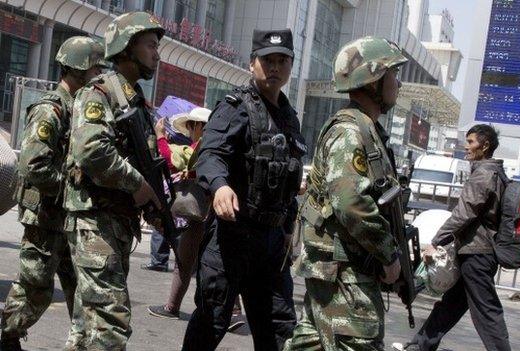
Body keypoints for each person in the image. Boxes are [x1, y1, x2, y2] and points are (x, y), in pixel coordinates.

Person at [182, 29, 306, 351]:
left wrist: (289, 229)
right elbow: (211, 154)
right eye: (267, 60)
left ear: (291, 66)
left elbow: (289, 181)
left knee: (279, 329)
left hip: (272, 243)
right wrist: (220, 186)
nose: (274, 67)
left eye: (282, 60)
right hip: (232, 236)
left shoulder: (290, 118)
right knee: (213, 319)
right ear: (253, 64)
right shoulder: (235, 106)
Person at [283, 36, 405, 351]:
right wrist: (388, 253)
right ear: (374, 79)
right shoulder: (351, 133)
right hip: (345, 274)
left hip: (341, 271)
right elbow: (350, 203)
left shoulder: (367, 131)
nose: (398, 83)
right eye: (393, 74)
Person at [62, 12, 164, 349]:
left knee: (85, 328)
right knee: (110, 324)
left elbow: (141, 161)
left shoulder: (134, 101)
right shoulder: (100, 92)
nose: (157, 53)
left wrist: (154, 207)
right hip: (94, 222)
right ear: (126, 47)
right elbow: (91, 151)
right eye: (150, 45)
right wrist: (139, 186)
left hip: (116, 224)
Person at [0, 36, 106, 351]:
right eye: (96, 67)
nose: (100, 74)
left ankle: (82, 341)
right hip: (47, 217)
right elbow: (33, 166)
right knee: (35, 288)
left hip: (78, 219)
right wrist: (73, 189)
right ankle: (7, 337)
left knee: (92, 285)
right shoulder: (51, 110)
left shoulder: (83, 109)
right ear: (79, 68)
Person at [401, 124, 511, 351]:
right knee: (450, 306)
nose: (466, 146)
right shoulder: (493, 173)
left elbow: (464, 213)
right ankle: (420, 345)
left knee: (486, 312)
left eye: (471, 142)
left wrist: (437, 240)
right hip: (474, 252)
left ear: (485, 145)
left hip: (478, 254)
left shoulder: (484, 174)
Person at [147, 106, 211, 319]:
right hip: (206, 214)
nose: (190, 130)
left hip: (202, 215)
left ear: (200, 127)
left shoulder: (202, 148)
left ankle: (172, 307)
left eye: (192, 126)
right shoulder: (213, 149)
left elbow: (169, 158)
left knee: (187, 263)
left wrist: (160, 137)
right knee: (201, 263)